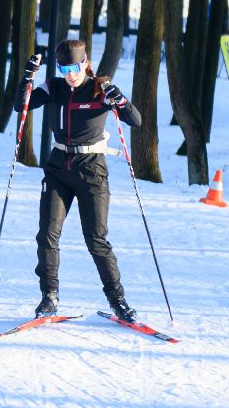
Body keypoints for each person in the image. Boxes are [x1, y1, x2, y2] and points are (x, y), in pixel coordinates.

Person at [18, 39, 143, 322]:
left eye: (75, 66)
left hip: (91, 170)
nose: (70, 73)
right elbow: (20, 106)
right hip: (59, 167)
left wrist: (119, 98)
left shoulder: (99, 87)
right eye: (64, 67)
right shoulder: (54, 87)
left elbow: (135, 121)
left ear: (85, 62)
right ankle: (48, 297)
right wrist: (27, 78)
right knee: (47, 235)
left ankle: (118, 300)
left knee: (96, 239)